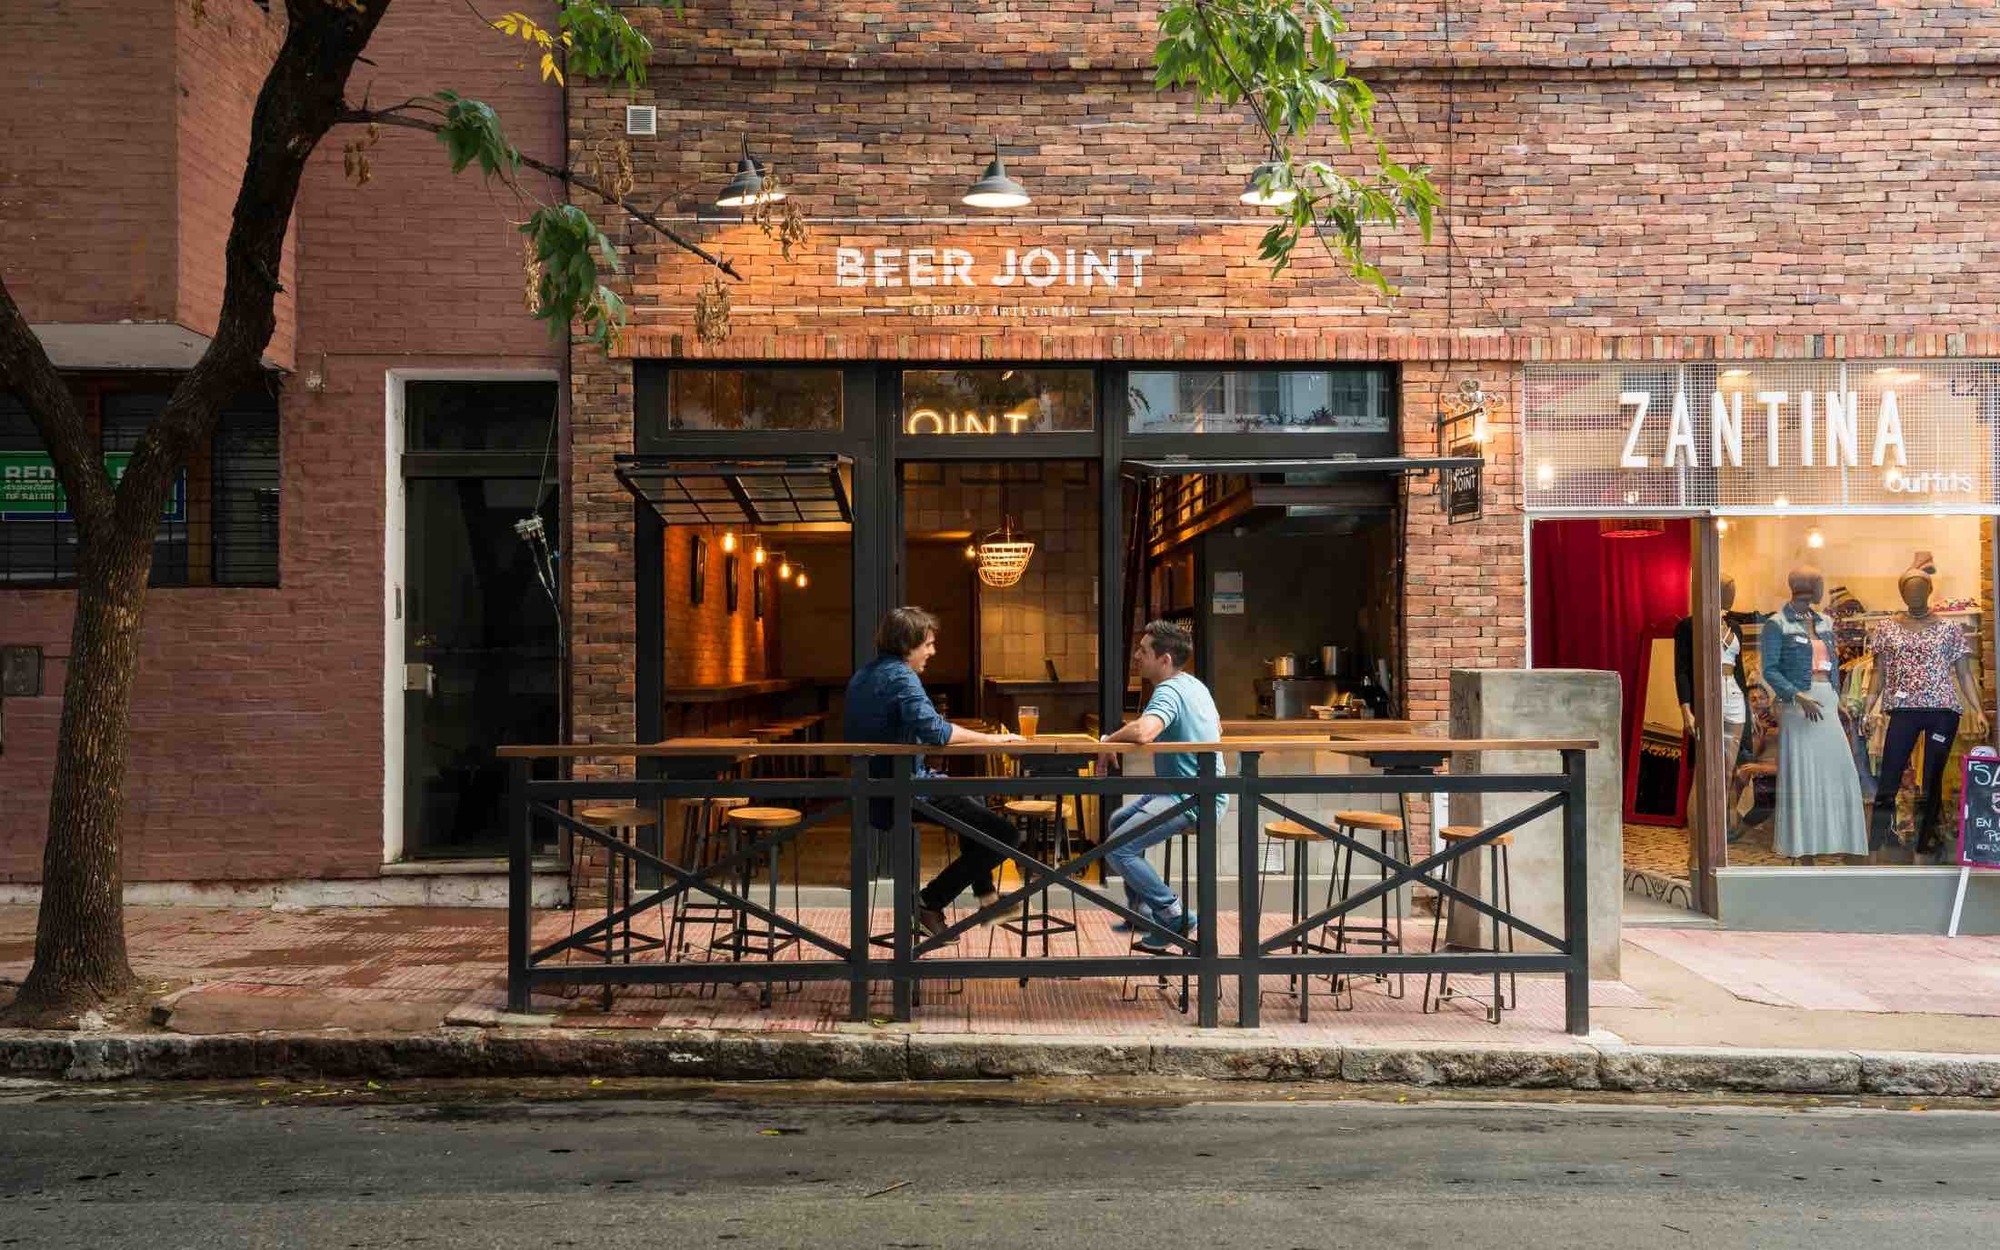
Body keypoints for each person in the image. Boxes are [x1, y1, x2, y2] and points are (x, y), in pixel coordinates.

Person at [844, 607, 1023, 941]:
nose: (932, 651)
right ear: (907, 644)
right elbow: (935, 732)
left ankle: (986, 897)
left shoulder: (864, 674)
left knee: (976, 798)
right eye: (927, 644)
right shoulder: (900, 676)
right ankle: (930, 901)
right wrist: (993, 739)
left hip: (873, 788)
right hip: (901, 791)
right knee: (1006, 835)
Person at [1096, 620, 1225, 952]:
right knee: (1116, 823)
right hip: (1190, 789)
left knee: (1116, 848)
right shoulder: (1194, 685)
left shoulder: (1168, 691)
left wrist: (1109, 740)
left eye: (1143, 651)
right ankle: (1141, 911)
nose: (1137, 656)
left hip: (1191, 798)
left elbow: (1144, 732)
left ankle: (1173, 915)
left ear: (1165, 659)